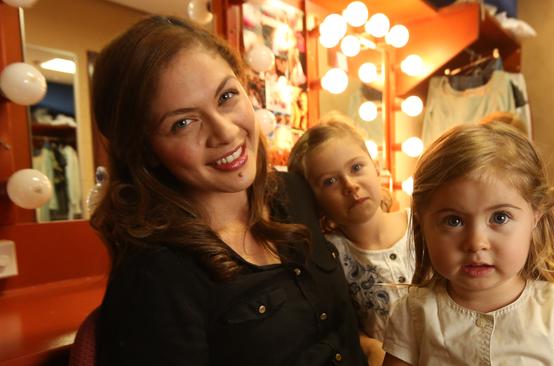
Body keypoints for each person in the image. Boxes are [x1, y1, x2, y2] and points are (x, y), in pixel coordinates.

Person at [90, 16, 367, 366]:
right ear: (144, 150)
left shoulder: (294, 190)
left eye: (226, 96)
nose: (224, 132)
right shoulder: (153, 280)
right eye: (183, 123)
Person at [382, 123, 554, 365]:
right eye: (454, 221)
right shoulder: (412, 316)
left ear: (535, 215)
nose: (476, 243)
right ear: (422, 221)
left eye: (500, 217)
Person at [288, 112, 415, 366]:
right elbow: (340, 325)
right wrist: (367, 344)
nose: (350, 185)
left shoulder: (422, 226)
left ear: (375, 166)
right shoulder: (330, 256)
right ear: (315, 201)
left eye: (356, 167)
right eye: (330, 181)